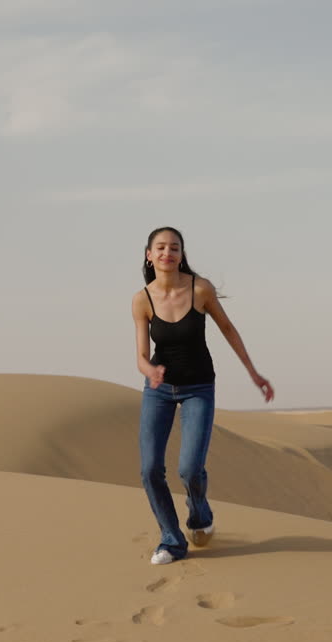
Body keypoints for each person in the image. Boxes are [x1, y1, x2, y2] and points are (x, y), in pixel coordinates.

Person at [131, 226, 274, 565]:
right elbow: (140, 355)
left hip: (198, 388)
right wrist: (150, 371)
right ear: (149, 255)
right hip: (159, 392)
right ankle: (171, 540)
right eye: (161, 247)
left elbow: (228, 329)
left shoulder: (200, 289)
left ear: (181, 255)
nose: (168, 253)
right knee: (150, 469)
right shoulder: (142, 299)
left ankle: (199, 516)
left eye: (175, 248)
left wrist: (253, 373)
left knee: (190, 469)